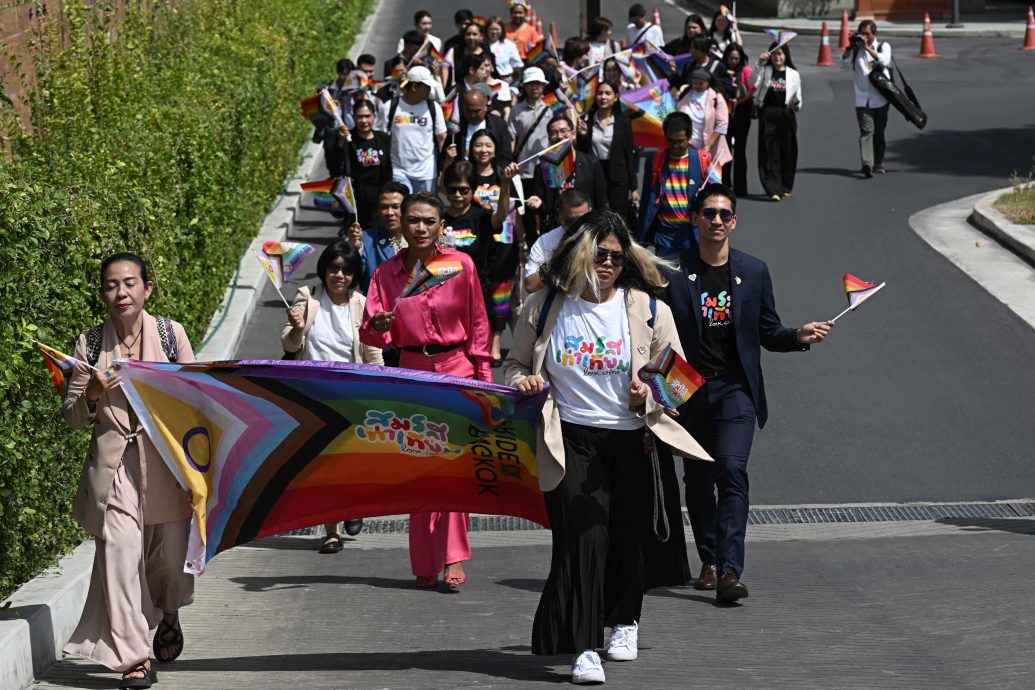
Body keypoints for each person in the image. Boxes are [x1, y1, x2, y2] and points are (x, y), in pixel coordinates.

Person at [504, 211, 711, 684]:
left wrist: (649, 392)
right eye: (600, 255)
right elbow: (513, 366)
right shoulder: (544, 306)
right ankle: (584, 648)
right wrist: (526, 380)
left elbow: (678, 381)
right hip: (570, 438)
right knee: (584, 538)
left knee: (626, 537)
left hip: (634, 439)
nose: (609, 264)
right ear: (580, 253)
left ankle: (624, 620)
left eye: (618, 257)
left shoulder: (646, 307)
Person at [663, 183, 832, 602]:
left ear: (734, 221)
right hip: (687, 391)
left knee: (732, 470)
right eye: (709, 213)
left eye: (724, 214)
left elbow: (768, 332)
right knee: (699, 481)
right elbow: (656, 338)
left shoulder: (753, 271)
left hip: (735, 390)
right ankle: (709, 560)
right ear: (695, 219)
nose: (716, 220)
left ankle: (729, 571)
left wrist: (798, 335)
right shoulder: (671, 273)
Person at [61, 253, 196, 690]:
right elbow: (73, 417)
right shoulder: (90, 344)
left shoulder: (171, 335)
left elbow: (197, 399)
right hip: (115, 469)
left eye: (130, 283)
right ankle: (134, 658)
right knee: (119, 556)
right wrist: (94, 393)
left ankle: (169, 612)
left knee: (169, 564)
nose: (121, 292)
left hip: (167, 466)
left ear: (147, 289)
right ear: (103, 294)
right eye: (112, 285)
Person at [360, 191, 493, 591]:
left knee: (454, 467)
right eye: (413, 220)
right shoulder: (385, 274)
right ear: (400, 222)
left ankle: (452, 556)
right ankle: (424, 561)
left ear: (440, 226)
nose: (420, 228)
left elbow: (479, 324)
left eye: (428, 221)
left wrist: (484, 382)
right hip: (412, 372)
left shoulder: (461, 266)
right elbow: (370, 333)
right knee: (421, 467)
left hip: (457, 369)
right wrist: (380, 326)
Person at [282, 242, 384, 552]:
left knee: (352, 463)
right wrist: (298, 329)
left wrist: (383, 387)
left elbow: (372, 351)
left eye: (347, 270)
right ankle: (332, 531)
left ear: (354, 275)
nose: (339, 275)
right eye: (333, 268)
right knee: (324, 464)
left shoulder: (363, 304)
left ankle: (354, 505)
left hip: (355, 393)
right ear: (324, 270)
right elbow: (289, 345)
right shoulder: (307, 298)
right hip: (315, 393)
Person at [467, 131, 525, 363]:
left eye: (488, 145)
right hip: (476, 244)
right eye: (478, 145)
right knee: (477, 294)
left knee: (501, 294)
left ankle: (496, 342)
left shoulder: (507, 174)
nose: (483, 150)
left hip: (504, 244)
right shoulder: (466, 174)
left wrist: (522, 243)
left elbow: (515, 212)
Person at [636, 111, 712, 257]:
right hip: (665, 234)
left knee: (692, 277)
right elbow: (647, 199)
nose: (675, 146)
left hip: (692, 234)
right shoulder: (654, 161)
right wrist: (640, 238)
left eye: (680, 141)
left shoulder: (703, 161)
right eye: (670, 141)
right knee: (666, 277)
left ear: (689, 137)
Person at [527, 115, 609, 230]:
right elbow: (542, 202)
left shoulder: (591, 163)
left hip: (586, 227)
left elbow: (601, 201)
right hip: (556, 228)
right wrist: (538, 202)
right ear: (549, 138)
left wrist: (602, 229)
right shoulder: (542, 167)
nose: (559, 136)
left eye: (563, 131)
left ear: (573, 134)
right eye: (553, 133)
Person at [377, 66, 447, 194]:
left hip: (427, 172)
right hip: (398, 171)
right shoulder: (390, 107)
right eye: (427, 87)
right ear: (414, 87)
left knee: (425, 210)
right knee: (401, 210)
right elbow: (379, 136)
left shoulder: (433, 107)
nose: (430, 90)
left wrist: (443, 165)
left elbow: (442, 137)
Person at [576, 79, 638, 220]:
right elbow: (581, 152)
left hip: (618, 177)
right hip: (594, 174)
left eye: (608, 93)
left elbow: (629, 154)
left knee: (618, 217)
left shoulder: (624, 123)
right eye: (600, 93)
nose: (603, 97)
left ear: (615, 97)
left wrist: (634, 187)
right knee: (596, 215)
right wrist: (583, 135)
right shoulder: (587, 122)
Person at [327, 99, 392, 228]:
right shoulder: (348, 139)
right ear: (354, 117)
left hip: (379, 200)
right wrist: (340, 142)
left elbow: (389, 169)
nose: (364, 121)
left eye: (367, 116)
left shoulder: (383, 138)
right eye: (359, 116)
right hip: (355, 201)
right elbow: (334, 164)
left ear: (374, 116)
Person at [841, 20, 892, 178]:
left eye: (867, 34)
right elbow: (843, 64)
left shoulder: (883, 46)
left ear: (874, 34)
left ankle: (878, 163)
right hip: (862, 99)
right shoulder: (856, 51)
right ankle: (867, 165)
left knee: (879, 133)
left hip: (881, 99)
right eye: (862, 34)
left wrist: (867, 48)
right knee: (866, 131)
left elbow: (884, 60)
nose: (864, 37)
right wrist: (850, 47)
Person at [753, 42, 802, 200]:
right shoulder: (765, 70)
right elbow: (752, 82)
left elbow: (798, 98)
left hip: (786, 113)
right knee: (769, 150)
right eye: (774, 54)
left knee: (788, 149)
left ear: (786, 55)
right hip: (768, 112)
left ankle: (786, 185)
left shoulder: (793, 74)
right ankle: (772, 188)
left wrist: (797, 104)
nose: (777, 57)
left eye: (780, 53)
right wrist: (759, 63)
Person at [524, 188, 592, 293]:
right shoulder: (545, 243)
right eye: (569, 221)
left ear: (590, 211)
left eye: (583, 220)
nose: (577, 227)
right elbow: (530, 286)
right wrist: (561, 262)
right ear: (559, 215)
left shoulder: (603, 238)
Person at [350, 181, 409, 297]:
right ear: (378, 211)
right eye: (384, 207)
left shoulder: (420, 237)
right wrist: (354, 248)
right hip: (378, 308)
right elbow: (354, 277)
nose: (389, 213)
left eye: (396, 207)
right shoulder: (366, 239)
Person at [676, 67, 732, 182]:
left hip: (709, 149)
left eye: (701, 83)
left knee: (710, 183)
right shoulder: (685, 91)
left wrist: (708, 146)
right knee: (687, 181)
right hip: (687, 146)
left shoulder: (717, 97)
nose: (697, 86)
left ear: (708, 83)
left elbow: (722, 124)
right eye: (694, 83)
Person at [722, 43, 754, 196]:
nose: (734, 61)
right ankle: (725, 184)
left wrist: (738, 102)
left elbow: (752, 89)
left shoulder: (746, 71)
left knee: (740, 150)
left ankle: (741, 187)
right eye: (731, 58)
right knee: (725, 149)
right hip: (724, 114)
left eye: (737, 58)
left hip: (742, 112)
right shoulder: (721, 70)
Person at [486, 15, 524, 82]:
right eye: (492, 29)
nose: (494, 32)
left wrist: (515, 84)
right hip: (487, 80)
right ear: (487, 30)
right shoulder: (482, 45)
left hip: (506, 80)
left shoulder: (509, 45)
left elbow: (518, 66)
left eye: (497, 29)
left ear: (502, 30)